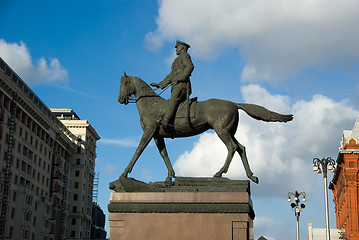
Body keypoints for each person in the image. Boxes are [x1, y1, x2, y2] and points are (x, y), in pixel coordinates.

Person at [151, 40, 194, 128]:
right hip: (177, 85)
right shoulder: (178, 59)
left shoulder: (184, 56)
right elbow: (172, 74)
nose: (176, 50)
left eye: (177, 47)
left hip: (182, 86)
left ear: (182, 47)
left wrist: (181, 77)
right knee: (172, 103)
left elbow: (190, 66)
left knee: (173, 101)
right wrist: (160, 84)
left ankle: (165, 122)